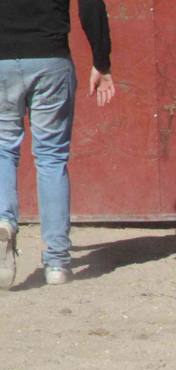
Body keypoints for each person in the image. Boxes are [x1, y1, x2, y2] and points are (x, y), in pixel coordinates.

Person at [1, 0, 116, 289]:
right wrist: (101, 61)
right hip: (50, 58)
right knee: (51, 158)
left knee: (2, 148)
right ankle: (56, 262)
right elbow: (91, 4)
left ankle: (4, 221)